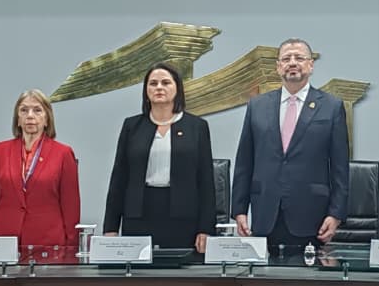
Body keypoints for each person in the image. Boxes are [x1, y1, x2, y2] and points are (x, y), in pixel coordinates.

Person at [232, 38, 349, 247]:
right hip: (265, 213)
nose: (292, 62)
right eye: (286, 59)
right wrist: (239, 209)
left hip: (312, 215)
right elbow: (244, 162)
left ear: (311, 65)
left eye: (299, 58)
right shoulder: (258, 106)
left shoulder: (331, 107)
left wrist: (336, 214)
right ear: (278, 67)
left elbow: (340, 168)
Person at [103, 63, 216, 251]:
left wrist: (206, 228)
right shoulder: (132, 126)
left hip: (182, 217)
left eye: (166, 83)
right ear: (146, 90)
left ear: (177, 88)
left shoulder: (196, 127)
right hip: (139, 215)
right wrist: (111, 228)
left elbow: (205, 181)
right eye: (153, 83)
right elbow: (119, 179)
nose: (159, 88)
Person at [0, 89, 81, 249]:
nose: (30, 116)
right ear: (18, 119)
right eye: (24, 110)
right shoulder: (0, 150)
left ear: (47, 119)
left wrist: (71, 249)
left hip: (47, 243)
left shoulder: (63, 153)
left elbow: (71, 207)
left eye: (37, 110)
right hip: (2, 240)